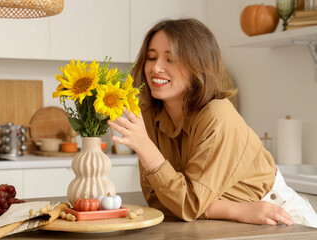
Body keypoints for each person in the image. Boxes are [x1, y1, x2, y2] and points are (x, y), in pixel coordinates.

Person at [108, 18, 317, 227]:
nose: (156, 68)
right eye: (151, 57)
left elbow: (187, 205)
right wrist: (234, 210)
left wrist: (144, 146)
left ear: (196, 65)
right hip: (230, 218)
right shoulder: (150, 116)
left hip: (276, 214)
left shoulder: (217, 115)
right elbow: (157, 199)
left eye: (170, 60)